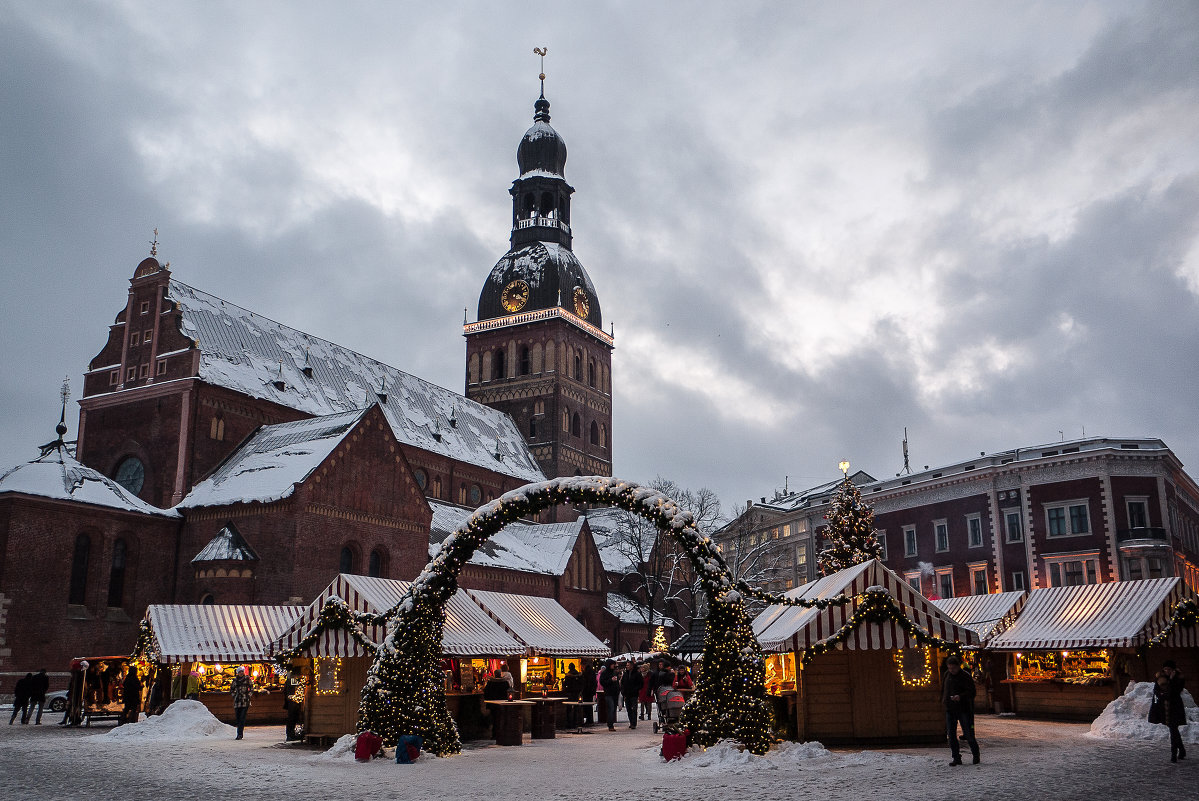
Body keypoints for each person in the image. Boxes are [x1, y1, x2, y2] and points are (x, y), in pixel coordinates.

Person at [942, 654, 979, 766]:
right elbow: (944, 689)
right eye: (949, 668)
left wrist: (960, 696)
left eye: (953, 668)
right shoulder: (947, 675)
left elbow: (972, 692)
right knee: (951, 735)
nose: (951, 670)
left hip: (964, 709)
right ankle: (956, 757)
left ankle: (976, 755)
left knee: (968, 734)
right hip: (950, 708)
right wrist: (944, 700)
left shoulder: (965, 676)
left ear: (958, 666)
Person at [1152, 660, 1187, 762]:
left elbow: (1175, 691)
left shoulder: (1178, 678)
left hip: (1175, 707)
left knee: (1173, 729)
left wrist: (1171, 680)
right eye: (1165, 669)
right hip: (1164, 707)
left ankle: (1173, 753)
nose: (1167, 671)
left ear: (1173, 670)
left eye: (1169, 669)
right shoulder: (1160, 677)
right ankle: (1182, 750)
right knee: (1173, 729)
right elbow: (1156, 690)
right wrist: (1162, 695)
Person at [621, 660, 644, 729]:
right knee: (628, 709)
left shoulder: (637, 674)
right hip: (627, 694)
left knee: (634, 709)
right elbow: (622, 683)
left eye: (628, 665)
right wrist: (623, 692)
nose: (627, 666)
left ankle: (634, 723)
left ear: (632, 666)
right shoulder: (625, 674)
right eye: (626, 665)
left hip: (634, 694)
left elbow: (641, 683)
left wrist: (636, 689)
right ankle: (631, 722)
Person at [599, 660, 621, 731]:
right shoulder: (604, 673)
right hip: (608, 693)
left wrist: (618, 689)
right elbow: (602, 682)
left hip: (614, 693)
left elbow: (617, 682)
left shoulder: (614, 672)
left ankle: (611, 723)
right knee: (611, 708)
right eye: (612, 664)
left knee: (613, 709)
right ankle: (610, 724)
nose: (613, 666)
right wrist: (610, 680)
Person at [231, 665, 251, 740]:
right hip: (237, 701)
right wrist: (234, 695)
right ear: (237, 673)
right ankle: (239, 733)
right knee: (238, 718)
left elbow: (251, 687)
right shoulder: (235, 680)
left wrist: (249, 695)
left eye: (242, 671)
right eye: (240, 672)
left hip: (245, 701)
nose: (241, 673)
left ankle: (239, 734)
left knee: (242, 717)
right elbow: (232, 689)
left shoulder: (247, 679)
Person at [283, 670, 304, 741]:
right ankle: (290, 735)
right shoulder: (293, 681)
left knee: (292, 719)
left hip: (292, 702)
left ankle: (290, 734)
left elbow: (286, 691)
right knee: (292, 718)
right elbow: (292, 691)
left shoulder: (290, 680)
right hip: (293, 703)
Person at [579, 661, 596, 725]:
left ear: (584, 665)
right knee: (588, 706)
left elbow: (587, 683)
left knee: (587, 706)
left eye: (582, 666)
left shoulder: (587, 672)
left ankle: (589, 720)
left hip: (587, 692)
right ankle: (590, 720)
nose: (581, 667)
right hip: (589, 691)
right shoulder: (590, 671)